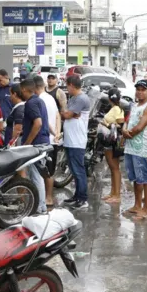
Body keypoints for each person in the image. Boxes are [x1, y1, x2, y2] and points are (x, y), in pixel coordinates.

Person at [122, 80, 147, 220]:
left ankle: (146, 208)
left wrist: (127, 133)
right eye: (138, 89)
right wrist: (124, 130)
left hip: (142, 148)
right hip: (130, 147)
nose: (140, 92)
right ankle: (137, 205)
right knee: (136, 179)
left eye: (143, 89)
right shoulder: (135, 105)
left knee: (146, 179)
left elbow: (139, 127)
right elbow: (127, 121)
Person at [60, 76, 91, 210]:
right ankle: (77, 196)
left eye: (67, 86)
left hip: (77, 140)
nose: (67, 89)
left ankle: (83, 199)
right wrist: (68, 113)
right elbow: (68, 113)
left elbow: (66, 115)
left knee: (78, 170)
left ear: (72, 85)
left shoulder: (81, 99)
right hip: (70, 139)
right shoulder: (73, 98)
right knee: (74, 170)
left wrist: (66, 112)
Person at [19, 79, 50, 213]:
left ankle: (39, 207)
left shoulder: (31, 103)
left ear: (25, 89)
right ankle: (41, 206)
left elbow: (38, 123)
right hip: (42, 142)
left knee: (35, 176)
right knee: (37, 175)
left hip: (36, 144)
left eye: (21, 90)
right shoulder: (39, 100)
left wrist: (27, 143)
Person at [34, 76, 61, 207]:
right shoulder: (50, 97)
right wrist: (57, 133)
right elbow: (57, 115)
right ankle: (48, 197)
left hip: (44, 139)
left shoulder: (38, 100)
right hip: (52, 140)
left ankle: (47, 198)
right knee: (49, 171)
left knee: (43, 172)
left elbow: (39, 122)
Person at [100, 87, 125, 204]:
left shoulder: (117, 110)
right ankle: (113, 192)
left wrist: (107, 124)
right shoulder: (115, 109)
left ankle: (117, 194)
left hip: (113, 142)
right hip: (109, 141)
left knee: (115, 168)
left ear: (109, 98)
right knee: (112, 167)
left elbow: (120, 126)